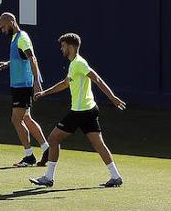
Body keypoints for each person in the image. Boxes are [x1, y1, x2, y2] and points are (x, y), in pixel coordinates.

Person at [28, 33, 126, 188]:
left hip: (80, 112)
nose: (61, 49)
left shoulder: (79, 63)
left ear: (71, 46)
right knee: (99, 144)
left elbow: (97, 79)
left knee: (53, 139)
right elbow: (65, 83)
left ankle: (48, 178)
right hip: (89, 109)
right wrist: (45, 93)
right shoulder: (74, 65)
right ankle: (115, 176)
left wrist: (112, 97)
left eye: (63, 46)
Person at [0, 12, 50, 167]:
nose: (2, 30)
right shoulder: (16, 38)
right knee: (26, 118)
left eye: (3, 26)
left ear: (11, 22)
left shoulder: (22, 38)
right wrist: (8, 63)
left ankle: (29, 156)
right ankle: (46, 148)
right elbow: (22, 58)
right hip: (19, 85)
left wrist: (37, 83)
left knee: (16, 119)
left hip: (24, 86)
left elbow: (32, 58)